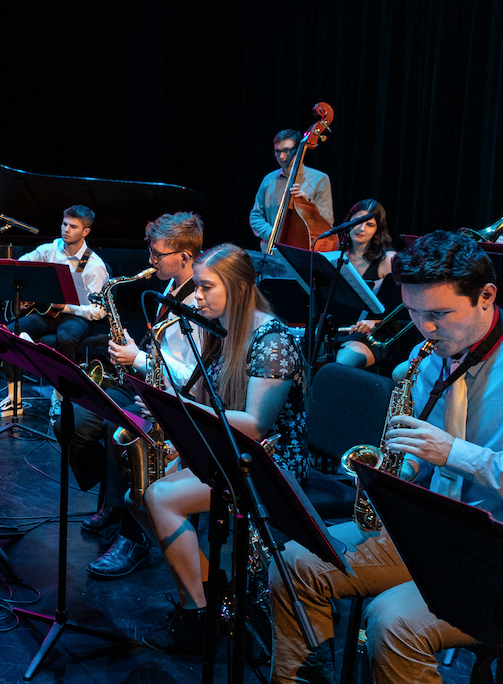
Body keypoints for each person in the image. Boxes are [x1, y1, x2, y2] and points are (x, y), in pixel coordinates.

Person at [269, 231, 503, 684]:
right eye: (414, 314)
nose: (426, 329)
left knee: (392, 621)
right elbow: (423, 452)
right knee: (295, 563)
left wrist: (455, 454)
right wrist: (395, 470)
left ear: (486, 296)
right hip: (438, 530)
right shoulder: (434, 352)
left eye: (439, 314)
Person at [137, 242, 309, 652]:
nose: (196, 296)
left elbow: (254, 424)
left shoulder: (273, 341)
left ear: (239, 288)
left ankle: (199, 614)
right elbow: (199, 396)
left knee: (160, 497)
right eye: (196, 287)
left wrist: (181, 411)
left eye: (205, 287)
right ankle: (221, 596)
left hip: (268, 460)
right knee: (138, 489)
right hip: (225, 448)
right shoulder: (218, 328)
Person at [64, 212, 204, 581]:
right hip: (146, 383)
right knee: (71, 411)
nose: (150, 261)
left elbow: (191, 375)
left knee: (119, 427)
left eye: (158, 254)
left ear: (185, 255)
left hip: (175, 401)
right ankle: (114, 501)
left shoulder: (201, 298)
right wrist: (131, 350)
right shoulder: (171, 287)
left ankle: (133, 536)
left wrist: (137, 358)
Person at [0, 205, 108, 418]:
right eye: (64, 224)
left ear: (85, 232)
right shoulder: (50, 250)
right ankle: (14, 398)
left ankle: (60, 396)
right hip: (48, 313)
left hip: (76, 316)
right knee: (9, 331)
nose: (66, 230)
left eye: (73, 226)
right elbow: (20, 265)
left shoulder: (94, 266)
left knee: (65, 338)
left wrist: (65, 306)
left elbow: (99, 311)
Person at [332, 199, 398, 369]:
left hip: (375, 333)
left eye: (370, 224)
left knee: (344, 362)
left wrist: (374, 321)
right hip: (339, 329)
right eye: (358, 222)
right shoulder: (336, 256)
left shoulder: (388, 259)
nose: (361, 228)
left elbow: (400, 304)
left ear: (378, 229)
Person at [249, 129, 334, 253]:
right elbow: (256, 216)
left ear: (297, 150)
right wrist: (273, 234)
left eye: (286, 151)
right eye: (277, 151)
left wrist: (307, 205)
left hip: (303, 251)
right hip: (271, 251)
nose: (281, 156)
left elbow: (328, 219)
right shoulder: (269, 180)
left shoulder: (320, 179)